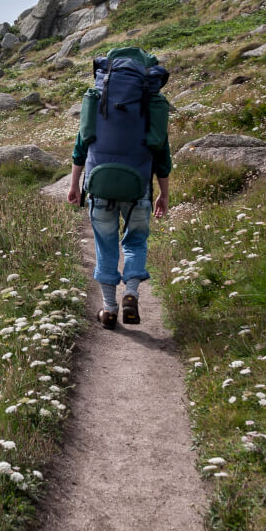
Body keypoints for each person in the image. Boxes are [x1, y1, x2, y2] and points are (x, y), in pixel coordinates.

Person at [65, 47, 172, 329]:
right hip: (139, 188)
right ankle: (131, 294)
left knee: (105, 245)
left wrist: (75, 185)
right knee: (136, 241)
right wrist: (163, 193)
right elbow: (161, 153)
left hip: (100, 186)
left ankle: (109, 309)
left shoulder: (97, 99)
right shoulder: (153, 103)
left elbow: (81, 147)